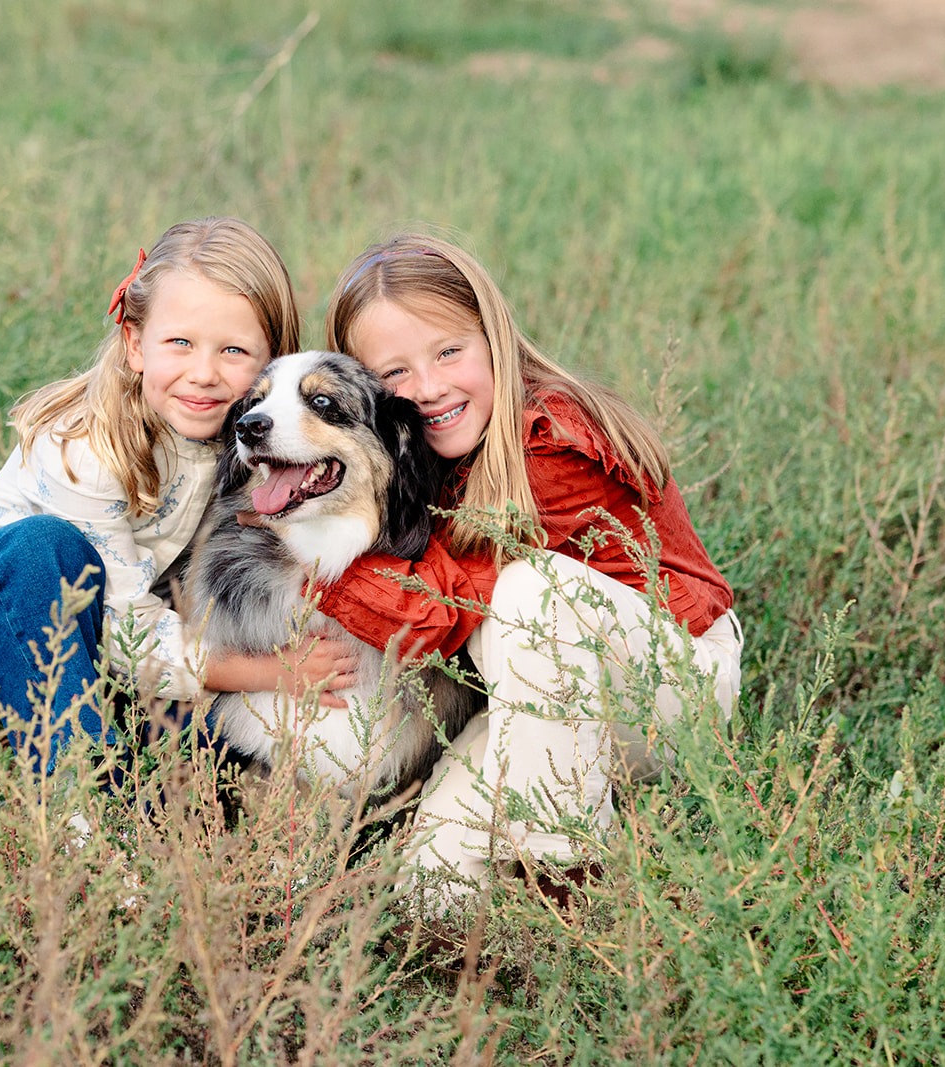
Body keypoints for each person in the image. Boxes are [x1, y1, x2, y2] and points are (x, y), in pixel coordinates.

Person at [316, 231, 743, 901]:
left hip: (668, 682)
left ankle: (563, 870)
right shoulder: (412, 453)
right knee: (435, 885)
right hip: (543, 698)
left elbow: (440, 610)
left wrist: (308, 554)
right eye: (393, 373)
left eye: (449, 351)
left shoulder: (547, 444)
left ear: (496, 338)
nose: (427, 388)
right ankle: (490, 952)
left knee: (527, 589)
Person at [0, 216, 354, 775]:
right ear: (135, 343)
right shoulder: (85, 448)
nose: (204, 373)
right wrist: (269, 671)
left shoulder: (253, 436)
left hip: (132, 609)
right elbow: (122, 627)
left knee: (207, 756)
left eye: (233, 351)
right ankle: (78, 806)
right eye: (180, 343)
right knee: (41, 549)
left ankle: (158, 796)